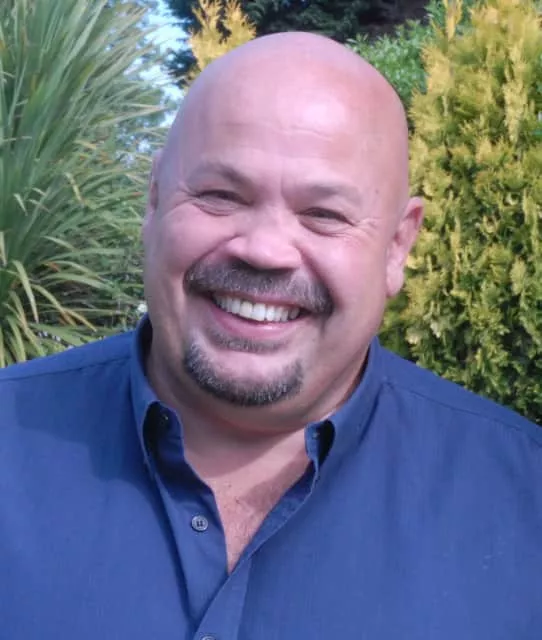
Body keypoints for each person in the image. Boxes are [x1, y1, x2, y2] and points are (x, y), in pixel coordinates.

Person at [1, 32, 541, 640]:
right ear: (152, 202)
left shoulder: (525, 504)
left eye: (324, 215)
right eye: (220, 196)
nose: (264, 250)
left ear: (397, 247)